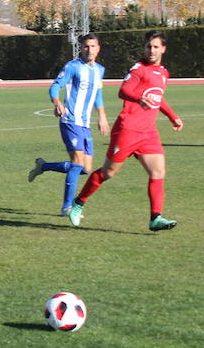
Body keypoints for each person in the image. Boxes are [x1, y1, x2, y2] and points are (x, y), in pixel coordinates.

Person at [67, 31, 183, 232]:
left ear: (163, 49)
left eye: (156, 47)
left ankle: (155, 217)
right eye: (148, 46)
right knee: (108, 172)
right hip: (127, 130)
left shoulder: (163, 73)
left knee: (158, 171)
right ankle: (78, 203)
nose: (151, 51)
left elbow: (158, 98)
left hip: (148, 133)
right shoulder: (139, 69)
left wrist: (173, 116)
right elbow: (124, 90)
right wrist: (138, 98)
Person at [28, 33, 110, 215]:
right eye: (86, 46)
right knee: (77, 163)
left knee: (86, 169)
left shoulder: (99, 70)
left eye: (93, 46)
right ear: (81, 48)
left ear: (98, 48)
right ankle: (66, 207)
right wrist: (57, 102)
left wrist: (102, 116)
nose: (89, 50)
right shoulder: (72, 67)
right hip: (70, 120)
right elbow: (55, 86)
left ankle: (44, 166)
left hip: (85, 123)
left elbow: (97, 93)